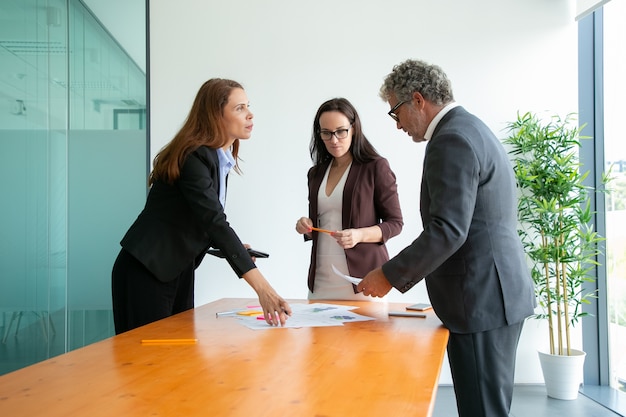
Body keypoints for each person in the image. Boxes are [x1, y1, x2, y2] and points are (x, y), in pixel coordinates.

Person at [357, 60, 535, 417]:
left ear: (418, 100)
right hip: (493, 294)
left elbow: (448, 230)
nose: (397, 124)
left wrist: (388, 274)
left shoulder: (451, 139)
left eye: (396, 112)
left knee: (482, 410)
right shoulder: (471, 128)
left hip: (481, 299)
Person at [112, 78, 291, 334]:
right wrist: (264, 290)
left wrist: (234, 248)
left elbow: (201, 220)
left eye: (248, 106)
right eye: (239, 108)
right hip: (146, 271)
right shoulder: (193, 156)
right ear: (216, 115)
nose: (250, 114)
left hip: (176, 270)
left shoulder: (218, 159)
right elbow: (214, 221)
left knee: (178, 359)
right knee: (145, 364)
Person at [295, 98, 403, 300]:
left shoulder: (376, 167)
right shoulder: (315, 173)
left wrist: (359, 235)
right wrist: (306, 226)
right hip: (321, 282)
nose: (334, 140)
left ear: (353, 129)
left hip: (363, 282)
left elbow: (395, 224)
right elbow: (321, 224)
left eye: (340, 131)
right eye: (326, 133)